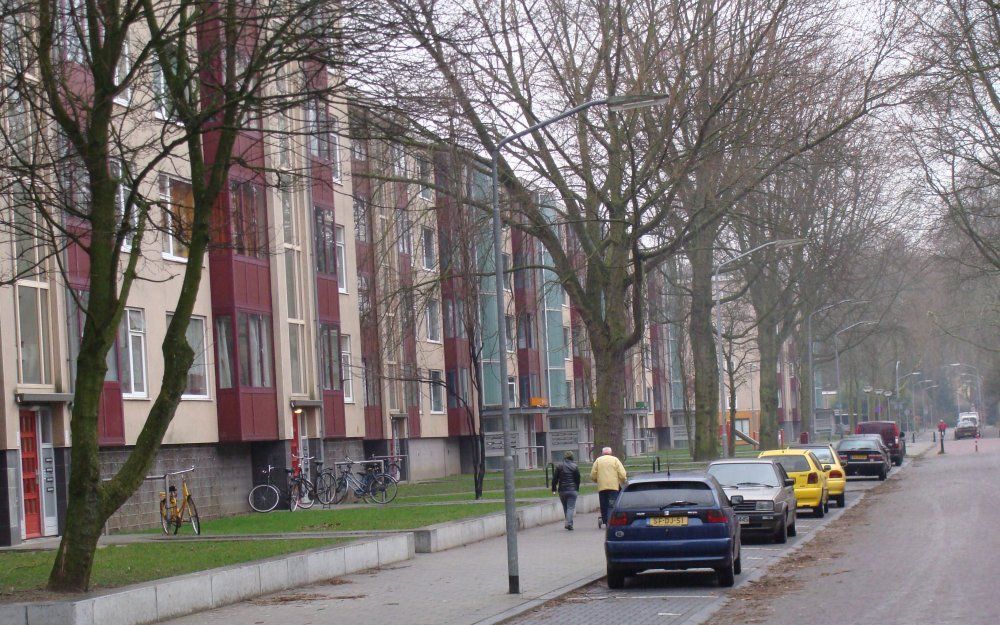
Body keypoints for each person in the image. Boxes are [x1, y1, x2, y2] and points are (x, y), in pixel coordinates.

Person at [591, 446, 627, 524]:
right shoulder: (615, 460)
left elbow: (593, 475)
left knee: (603, 505)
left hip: (602, 487)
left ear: (602, 453)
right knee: (611, 505)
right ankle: (610, 521)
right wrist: (622, 481)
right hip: (613, 487)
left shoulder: (598, 461)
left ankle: (604, 520)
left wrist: (597, 481)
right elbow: (622, 474)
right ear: (611, 453)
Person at [551, 451, 581, 530]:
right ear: (572, 458)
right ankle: (568, 523)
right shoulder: (575, 466)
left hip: (562, 490)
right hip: (572, 490)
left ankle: (568, 522)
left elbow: (555, 479)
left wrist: (554, 488)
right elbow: (578, 479)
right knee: (570, 508)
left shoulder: (559, 466)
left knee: (565, 507)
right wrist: (577, 488)